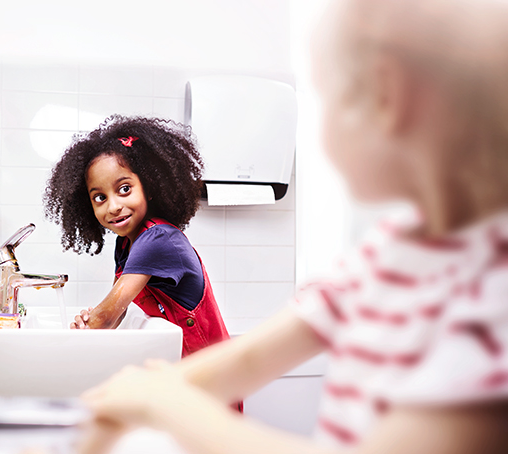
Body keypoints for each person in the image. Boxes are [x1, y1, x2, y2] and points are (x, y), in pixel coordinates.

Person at [77, 0, 508, 452]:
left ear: (387, 96)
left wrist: (164, 405)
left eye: (326, 98)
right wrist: (118, 408)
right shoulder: (390, 251)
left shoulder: (492, 296)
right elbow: (247, 358)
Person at [43, 115, 230, 357]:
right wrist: (90, 322)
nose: (113, 206)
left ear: (149, 188)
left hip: (211, 379)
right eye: (100, 197)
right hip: (187, 373)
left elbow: (107, 317)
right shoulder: (126, 244)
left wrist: (86, 327)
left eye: (124, 189)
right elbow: (117, 311)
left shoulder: (158, 239)